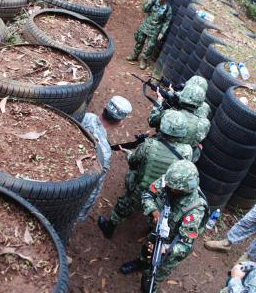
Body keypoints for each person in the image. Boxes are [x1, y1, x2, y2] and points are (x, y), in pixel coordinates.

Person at [121, 160, 208, 293]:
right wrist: (154, 211)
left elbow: (185, 245)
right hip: (159, 229)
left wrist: (164, 249)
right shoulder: (170, 180)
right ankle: (140, 262)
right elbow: (147, 195)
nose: (167, 187)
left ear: (184, 189)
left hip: (173, 244)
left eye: (172, 188)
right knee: (147, 247)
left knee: (151, 276)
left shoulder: (195, 210)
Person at [97, 110, 193, 238]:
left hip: (142, 188)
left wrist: (128, 153)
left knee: (124, 205)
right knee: (158, 213)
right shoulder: (187, 151)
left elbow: (133, 161)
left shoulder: (148, 146)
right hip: (164, 192)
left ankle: (110, 227)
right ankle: (150, 229)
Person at [77, 96, 133, 221]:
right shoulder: (105, 152)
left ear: (104, 109)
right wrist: (82, 212)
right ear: (119, 123)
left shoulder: (87, 117)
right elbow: (94, 184)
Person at [149, 84, 211, 162]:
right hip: (180, 159)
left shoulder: (170, 113)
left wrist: (159, 102)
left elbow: (151, 122)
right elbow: (194, 143)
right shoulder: (203, 124)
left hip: (157, 151)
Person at [127, 0, 173, 70]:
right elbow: (144, 9)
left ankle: (143, 60)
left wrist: (162, 33)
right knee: (140, 40)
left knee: (150, 46)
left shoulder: (167, 8)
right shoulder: (154, 1)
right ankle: (135, 55)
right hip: (146, 25)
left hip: (155, 29)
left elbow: (167, 21)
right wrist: (150, 1)